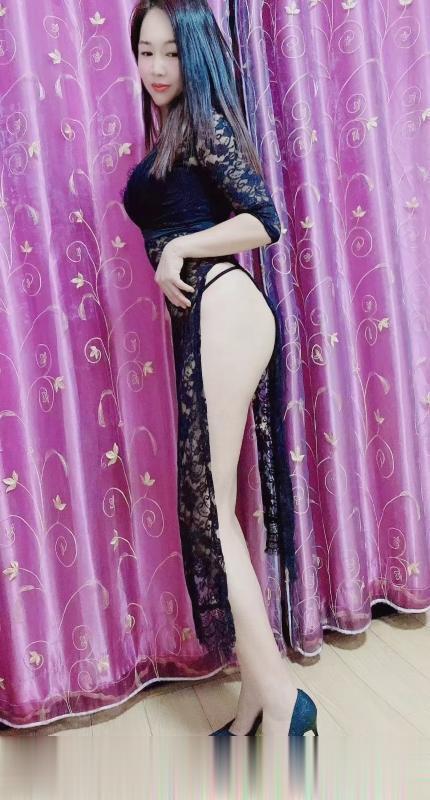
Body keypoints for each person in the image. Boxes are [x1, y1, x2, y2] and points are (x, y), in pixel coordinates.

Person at [122, 0, 318, 737]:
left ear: (196, 53)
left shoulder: (206, 123)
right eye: (146, 51)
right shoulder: (173, 130)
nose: (157, 67)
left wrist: (178, 248)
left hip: (225, 306)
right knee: (215, 512)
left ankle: (285, 700)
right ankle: (256, 703)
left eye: (171, 52)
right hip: (214, 317)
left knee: (213, 513)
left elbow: (264, 221)